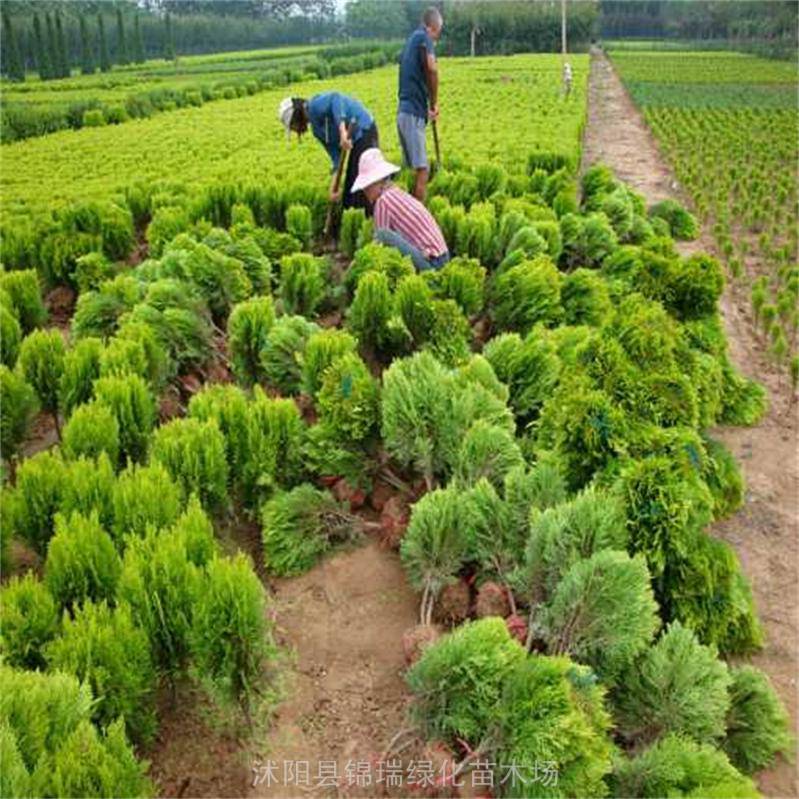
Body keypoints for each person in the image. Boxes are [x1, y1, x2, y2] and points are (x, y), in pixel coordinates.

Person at [351, 147, 450, 272]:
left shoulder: (383, 201)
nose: (365, 192)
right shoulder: (397, 193)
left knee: (382, 234)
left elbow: (378, 244)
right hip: (442, 257)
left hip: (433, 263)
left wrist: (357, 263)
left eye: (367, 187)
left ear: (378, 182)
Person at [277, 92, 378, 211]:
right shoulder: (317, 131)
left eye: (292, 125)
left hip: (364, 128)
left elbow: (336, 98)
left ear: (296, 115)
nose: (295, 130)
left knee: (360, 189)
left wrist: (342, 132)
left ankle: (376, 218)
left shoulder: (314, 105)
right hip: (356, 142)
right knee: (349, 197)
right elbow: (336, 157)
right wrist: (332, 189)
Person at [397, 6, 443, 202]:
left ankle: (406, 211)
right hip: (412, 115)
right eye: (437, 34)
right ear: (432, 28)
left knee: (411, 170)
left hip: (405, 113)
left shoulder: (412, 40)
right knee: (422, 171)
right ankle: (417, 217)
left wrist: (427, 108)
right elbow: (432, 70)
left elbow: (415, 78)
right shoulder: (424, 38)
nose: (436, 40)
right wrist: (434, 102)